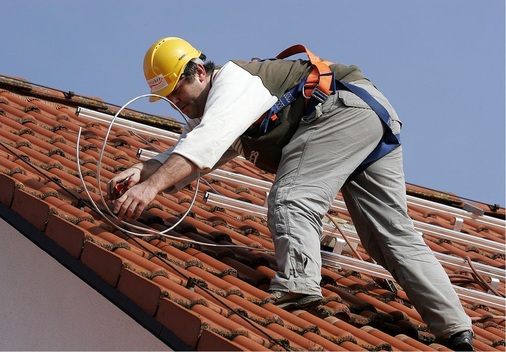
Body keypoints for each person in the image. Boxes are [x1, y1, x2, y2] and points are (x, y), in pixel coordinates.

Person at [107, 37, 474, 350]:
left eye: (177, 91)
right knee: (389, 236)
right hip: (368, 117)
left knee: (291, 198)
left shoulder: (233, 84)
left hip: (339, 110)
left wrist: (150, 189)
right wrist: (142, 171)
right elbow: (185, 153)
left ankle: (298, 288)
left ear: (199, 72)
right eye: (167, 97)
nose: (176, 102)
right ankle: (456, 331)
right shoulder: (217, 112)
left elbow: (204, 146)